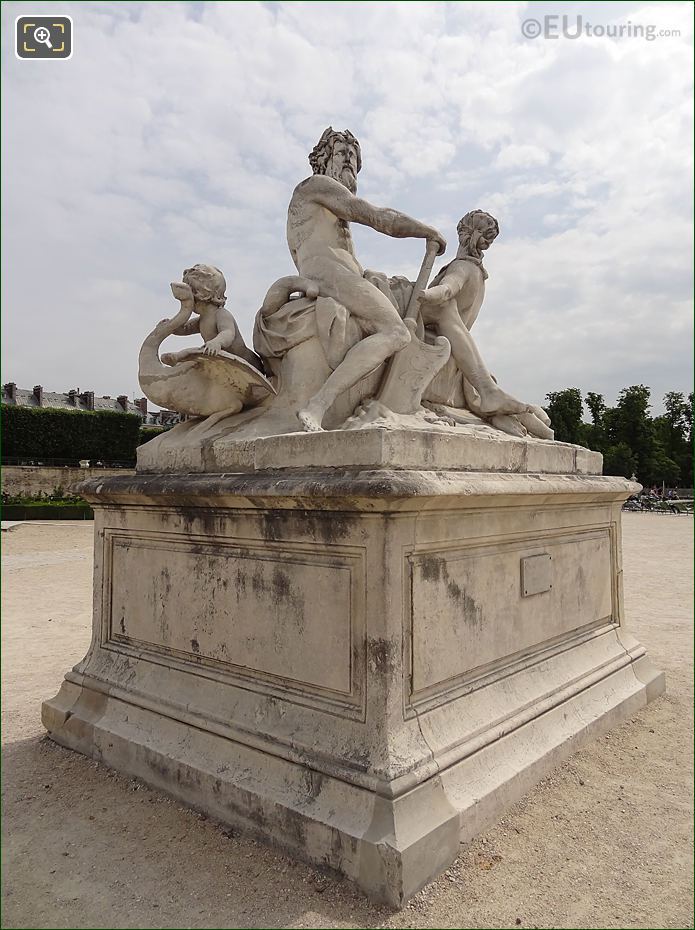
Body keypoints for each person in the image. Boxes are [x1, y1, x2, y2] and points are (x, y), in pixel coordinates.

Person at [288, 127, 446, 431]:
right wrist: (424, 231)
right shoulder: (315, 185)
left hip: (343, 273)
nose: (349, 161)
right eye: (342, 154)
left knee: (403, 307)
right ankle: (317, 406)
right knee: (396, 332)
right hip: (327, 272)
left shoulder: (330, 207)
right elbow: (375, 216)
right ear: (323, 159)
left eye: (354, 157)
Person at [419, 211, 552, 437]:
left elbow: (450, 288)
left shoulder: (462, 267)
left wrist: (429, 293)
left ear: (465, 233)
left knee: (444, 307)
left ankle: (522, 415)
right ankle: (537, 422)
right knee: (492, 399)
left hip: (441, 344)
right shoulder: (478, 273)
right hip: (463, 355)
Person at [160, 264, 261, 370]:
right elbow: (184, 329)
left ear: (200, 294)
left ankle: (179, 357)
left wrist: (217, 342)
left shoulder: (221, 314)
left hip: (247, 362)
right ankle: (179, 358)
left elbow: (228, 333)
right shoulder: (202, 320)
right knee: (202, 354)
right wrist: (171, 326)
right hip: (224, 362)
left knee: (199, 352)